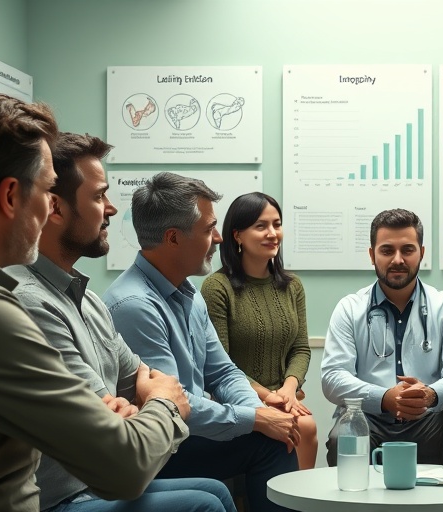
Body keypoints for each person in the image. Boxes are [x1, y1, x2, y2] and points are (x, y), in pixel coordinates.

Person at [0, 92, 190, 512]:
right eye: (46, 190)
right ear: (10, 197)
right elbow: (124, 465)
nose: (49, 209)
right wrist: (165, 403)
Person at [6, 133, 234, 512]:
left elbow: (151, 384)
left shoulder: (89, 300)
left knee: (216, 492)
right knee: (202, 505)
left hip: (97, 486)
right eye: (98, 196)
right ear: (56, 208)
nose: (111, 209)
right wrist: (157, 402)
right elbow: (116, 436)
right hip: (61, 499)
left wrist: (147, 401)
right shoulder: (31, 302)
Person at [103, 172, 298, 512]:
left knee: (274, 437)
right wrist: (256, 420)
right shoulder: (134, 305)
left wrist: (259, 412)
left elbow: (223, 373)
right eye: (209, 229)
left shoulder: (188, 293)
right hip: (161, 447)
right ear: (173, 238)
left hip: (189, 436)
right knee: (270, 442)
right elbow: (175, 406)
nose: (219, 238)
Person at [321, 209, 443, 466]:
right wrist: (384, 398)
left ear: (422, 253)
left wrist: (431, 394)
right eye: (386, 250)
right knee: (344, 434)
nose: (397, 259)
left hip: (429, 419)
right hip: (370, 419)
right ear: (372, 255)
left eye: (407, 250)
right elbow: (332, 378)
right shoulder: (350, 308)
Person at [202, 191, 318, 470]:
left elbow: (301, 348)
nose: (272, 233)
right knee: (302, 425)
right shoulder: (217, 288)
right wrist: (268, 396)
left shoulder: (292, 286)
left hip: (286, 397)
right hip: (240, 400)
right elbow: (221, 363)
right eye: (261, 226)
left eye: (277, 224)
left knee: (306, 426)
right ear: (237, 235)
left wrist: (289, 389)